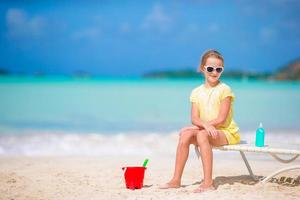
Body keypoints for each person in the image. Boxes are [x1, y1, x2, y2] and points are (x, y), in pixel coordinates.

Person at [159, 49, 241, 193]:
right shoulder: (196, 92)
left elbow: (221, 119)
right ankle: (176, 180)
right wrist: (198, 127)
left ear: (222, 70)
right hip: (206, 129)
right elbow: (194, 118)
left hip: (226, 132)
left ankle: (208, 182)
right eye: (210, 68)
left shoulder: (225, 90)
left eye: (218, 69)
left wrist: (198, 129)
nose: (214, 72)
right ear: (203, 68)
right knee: (185, 135)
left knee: (201, 135)